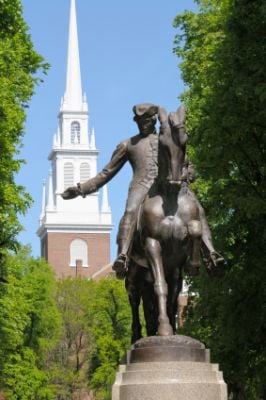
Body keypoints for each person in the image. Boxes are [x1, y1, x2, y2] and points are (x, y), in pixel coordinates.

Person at [62, 103, 165, 278]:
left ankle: (206, 251)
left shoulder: (165, 141)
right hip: (141, 186)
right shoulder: (128, 145)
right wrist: (81, 189)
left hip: (163, 187)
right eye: (139, 121)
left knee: (192, 207)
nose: (143, 124)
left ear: (153, 120)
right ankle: (123, 255)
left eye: (146, 120)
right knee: (130, 212)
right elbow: (106, 173)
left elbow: (181, 158)